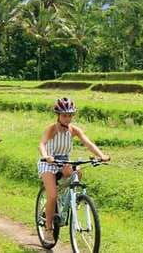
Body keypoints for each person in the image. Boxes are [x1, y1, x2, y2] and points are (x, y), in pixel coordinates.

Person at [37, 97, 110, 243]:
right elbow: (42, 144)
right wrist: (46, 156)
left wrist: (101, 155)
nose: (67, 118)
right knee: (51, 196)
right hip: (49, 163)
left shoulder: (74, 130)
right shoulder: (52, 129)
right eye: (64, 115)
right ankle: (48, 229)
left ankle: (69, 199)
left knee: (78, 172)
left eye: (70, 115)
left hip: (64, 161)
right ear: (58, 115)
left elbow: (88, 143)